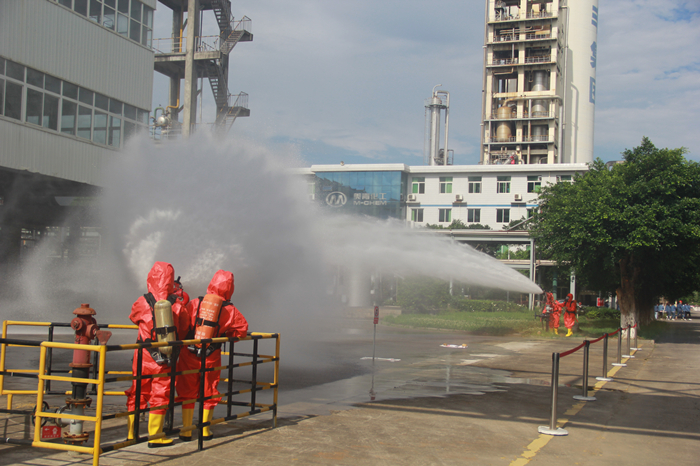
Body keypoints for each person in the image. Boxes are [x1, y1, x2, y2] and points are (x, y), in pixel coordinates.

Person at [176, 270, 248, 441]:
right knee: (209, 390)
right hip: (211, 354)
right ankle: (204, 430)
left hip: (189, 352)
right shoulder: (229, 309)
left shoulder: (195, 302)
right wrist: (225, 335)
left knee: (187, 390)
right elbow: (241, 330)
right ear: (230, 288)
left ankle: (186, 430)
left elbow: (182, 323)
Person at [125, 261, 191, 448]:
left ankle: (132, 433)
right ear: (170, 281)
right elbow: (184, 327)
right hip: (165, 355)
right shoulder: (177, 305)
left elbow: (133, 317)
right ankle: (156, 436)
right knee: (160, 393)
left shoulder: (141, 301)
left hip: (143, 354)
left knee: (137, 391)